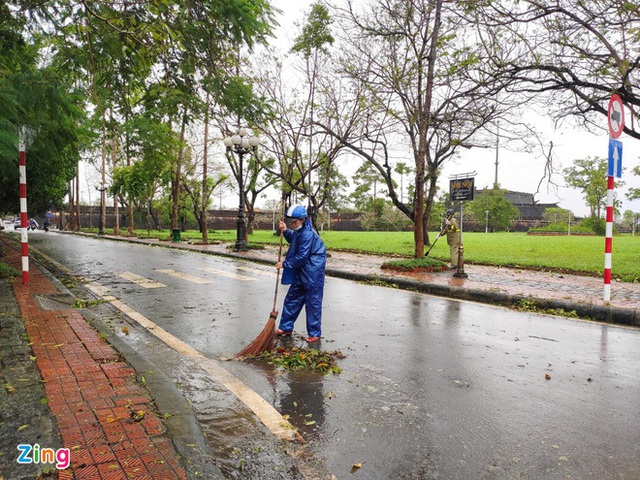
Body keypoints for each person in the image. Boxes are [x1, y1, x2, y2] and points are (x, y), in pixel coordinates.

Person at [275, 204, 327, 343]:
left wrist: (285, 264)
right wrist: (286, 231)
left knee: (312, 303)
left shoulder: (308, 233)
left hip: (312, 272)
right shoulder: (300, 231)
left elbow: (302, 256)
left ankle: (314, 334)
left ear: (303, 219)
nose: (292, 224)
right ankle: (285, 328)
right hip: (302, 271)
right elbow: (295, 239)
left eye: (294, 222)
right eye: (289, 222)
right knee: (292, 298)